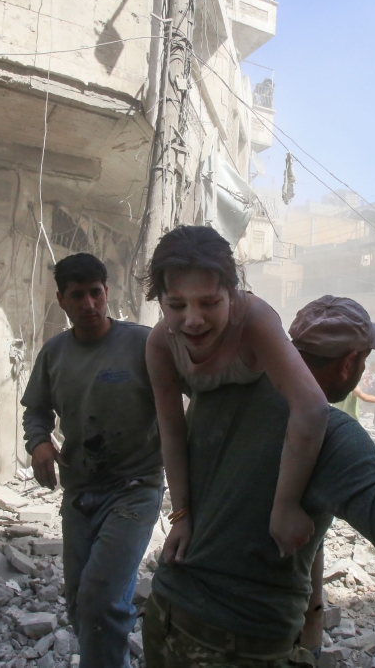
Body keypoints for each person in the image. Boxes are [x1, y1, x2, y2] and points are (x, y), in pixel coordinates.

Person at [143, 296, 375, 668]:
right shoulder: (333, 436)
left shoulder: (221, 388)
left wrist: (314, 614)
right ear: (349, 364)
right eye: (364, 361)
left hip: (165, 615)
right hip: (239, 643)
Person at [144, 226, 329, 562]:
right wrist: (180, 517)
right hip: (211, 447)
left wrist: (286, 505)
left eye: (209, 302)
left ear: (232, 292)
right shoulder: (160, 345)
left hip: (270, 446)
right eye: (176, 305)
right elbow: (171, 431)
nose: (193, 319)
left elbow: (313, 408)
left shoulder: (256, 321)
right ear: (160, 302)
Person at [21, 254, 163, 668]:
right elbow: (36, 410)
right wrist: (39, 443)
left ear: (107, 292)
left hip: (134, 489)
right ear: (62, 300)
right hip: (80, 493)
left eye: (95, 293)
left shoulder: (142, 343)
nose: (88, 304)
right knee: (80, 603)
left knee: (100, 599)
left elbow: (192, 390)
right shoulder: (54, 354)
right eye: (77, 295)